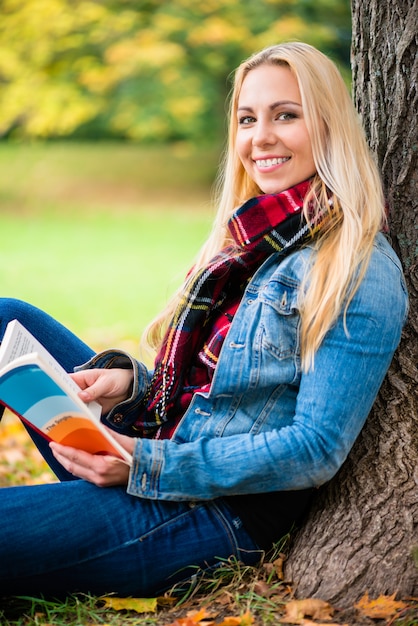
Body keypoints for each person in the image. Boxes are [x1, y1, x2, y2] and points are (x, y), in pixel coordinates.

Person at [0, 41, 408, 598]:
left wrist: (144, 464)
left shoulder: (356, 267)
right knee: (7, 319)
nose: (260, 136)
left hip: (211, 512)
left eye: (285, 115)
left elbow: (315, 448)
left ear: (330, 127)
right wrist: (126, 387)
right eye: (247, 118)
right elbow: (207, 391)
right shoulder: (252, 240)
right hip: (151, 446)